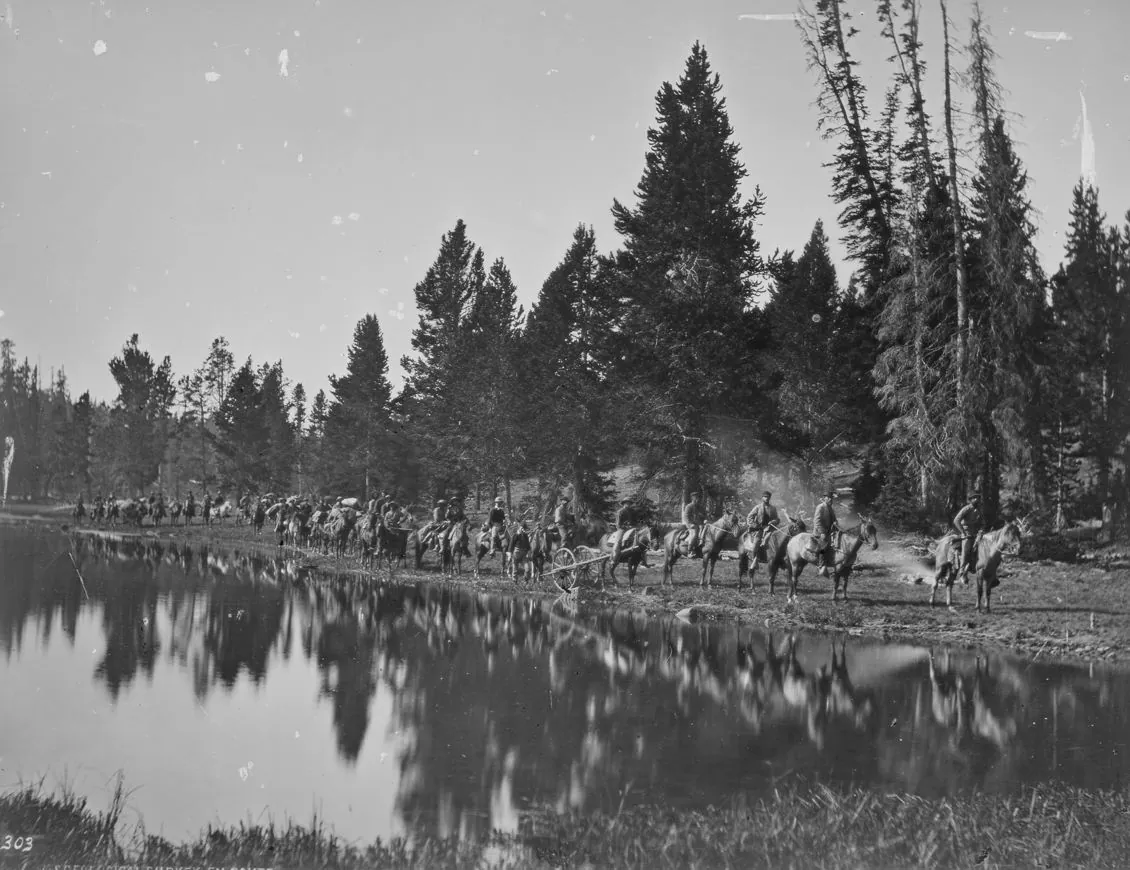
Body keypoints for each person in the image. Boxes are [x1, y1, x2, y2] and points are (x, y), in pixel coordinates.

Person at [953, 494, 983, 585]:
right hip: (967, 534)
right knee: (966, 553)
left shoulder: (979, 510)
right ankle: (962, 574)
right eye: (974, 498)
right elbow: (956, 520)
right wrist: (963, 532)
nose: (976, 499)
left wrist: (981, 531)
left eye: (978, 498)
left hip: (975, 534)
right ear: (970, 500)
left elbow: (981, 523)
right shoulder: (967, 509)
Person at [747, 491, 779, 560]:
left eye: (768, 497)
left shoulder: (773, 508)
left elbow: (777, 519)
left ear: (770, 498)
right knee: (756, 544)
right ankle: (754, 558)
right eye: (765, 497)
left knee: (778, 541)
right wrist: (755, 525)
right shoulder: (758, 507)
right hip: (760, 529)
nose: (767, 498)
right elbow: (749, 517)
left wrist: (773, 521)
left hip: (770, 528)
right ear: (762, 498)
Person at [813, 491, 839, 571]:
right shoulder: (820, 507)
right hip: (820, 532)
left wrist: (836, 523)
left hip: (829, 532)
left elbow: (834, 519)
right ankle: (821, 564)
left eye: (832, 498)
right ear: (825, 498)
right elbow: (817, 521)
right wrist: (822, 532)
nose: (831, 500)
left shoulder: (830, 508)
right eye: (829, 498)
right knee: (823, 545)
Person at [682, 491, 705, 558]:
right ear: (693, 499)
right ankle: (689, 551)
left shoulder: (701, 507)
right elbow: (686, 517)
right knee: (694, 534)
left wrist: (705, 519)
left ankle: (703, 549)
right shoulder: (689, 506)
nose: (698, 499)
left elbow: (705, 515)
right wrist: (690, 524)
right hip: (692, 525)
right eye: (696, 498)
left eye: (698, 498)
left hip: (701, 525)